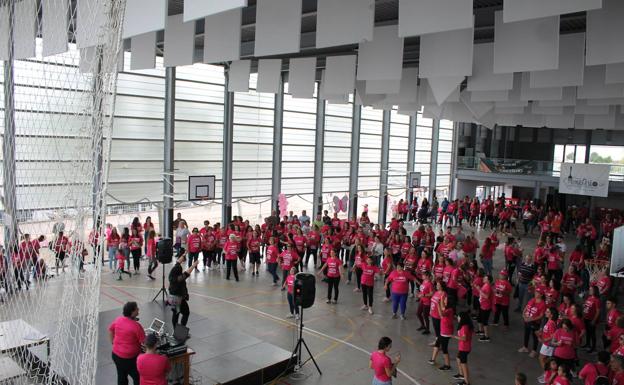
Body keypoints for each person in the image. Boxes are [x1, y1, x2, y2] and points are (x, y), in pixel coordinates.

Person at [108, 302, 144, 385]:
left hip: (116, 355)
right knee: (138, 377)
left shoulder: (118, 320)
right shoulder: (136, 326)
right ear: (132, 312)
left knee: (121, 376)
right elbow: (144, 342)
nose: (138, 309)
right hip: (129, 359)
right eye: (136, 308)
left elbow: (110, 329)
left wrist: (113, 342)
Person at [168, 252, 198, 327]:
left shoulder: (172, 273)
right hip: (177, 298)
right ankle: (180, 330)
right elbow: (186, 274)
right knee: (186, 313)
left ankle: (176, 331)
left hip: (172, 297)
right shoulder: (177, 279)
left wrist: (185, 253)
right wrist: (194, 265)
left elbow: (178, 262)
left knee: (176, 314)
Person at [453, 311, 474, 385]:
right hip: (463, 347)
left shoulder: (465, 327)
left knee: (464, 364)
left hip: (464, 348)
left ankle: (466, 382)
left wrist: (454, 337)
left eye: (459, 317)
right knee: (458, 358)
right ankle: (461, 375)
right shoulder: (465, 325)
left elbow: (464, 338)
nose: (457, 318)